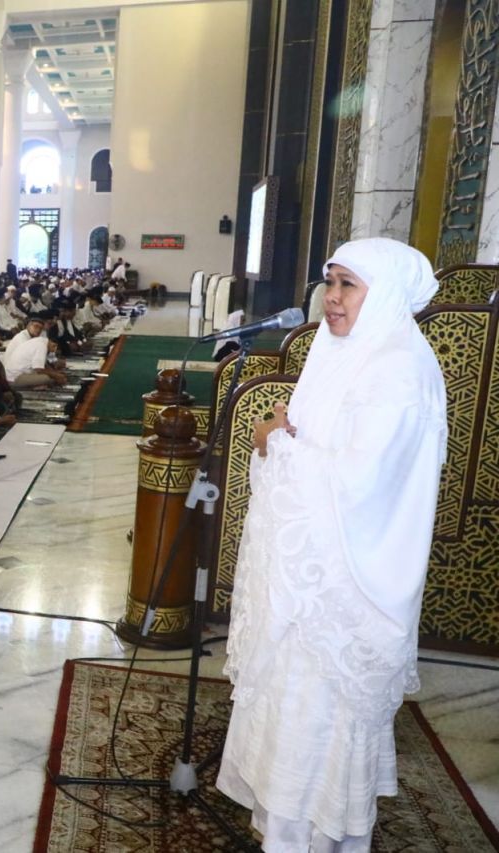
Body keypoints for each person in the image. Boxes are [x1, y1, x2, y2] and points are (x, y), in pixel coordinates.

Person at [216, 239, 448, 852]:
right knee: (291, 714)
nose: (333, 299)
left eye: (348, 284)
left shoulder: (398, 368)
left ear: (387, 293)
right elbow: (318, 431)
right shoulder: (344, 349)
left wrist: (276, 440)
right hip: (308, 575)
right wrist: (288, 429)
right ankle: (282, 830)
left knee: (319, 716)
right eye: (330, 282)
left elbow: (356, 484)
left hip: (344, 586)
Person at [3, 316, 65, 388]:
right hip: (14, 376)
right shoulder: (22, 338)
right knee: (46, 378)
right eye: (36, 326)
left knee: (49, 377)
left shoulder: (38, 340)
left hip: (23, 372)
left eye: (40, 328)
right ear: (28, 326)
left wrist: (54, 372)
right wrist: (55, 375)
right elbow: (38, 369)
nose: (38, 330)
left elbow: (41, 363)